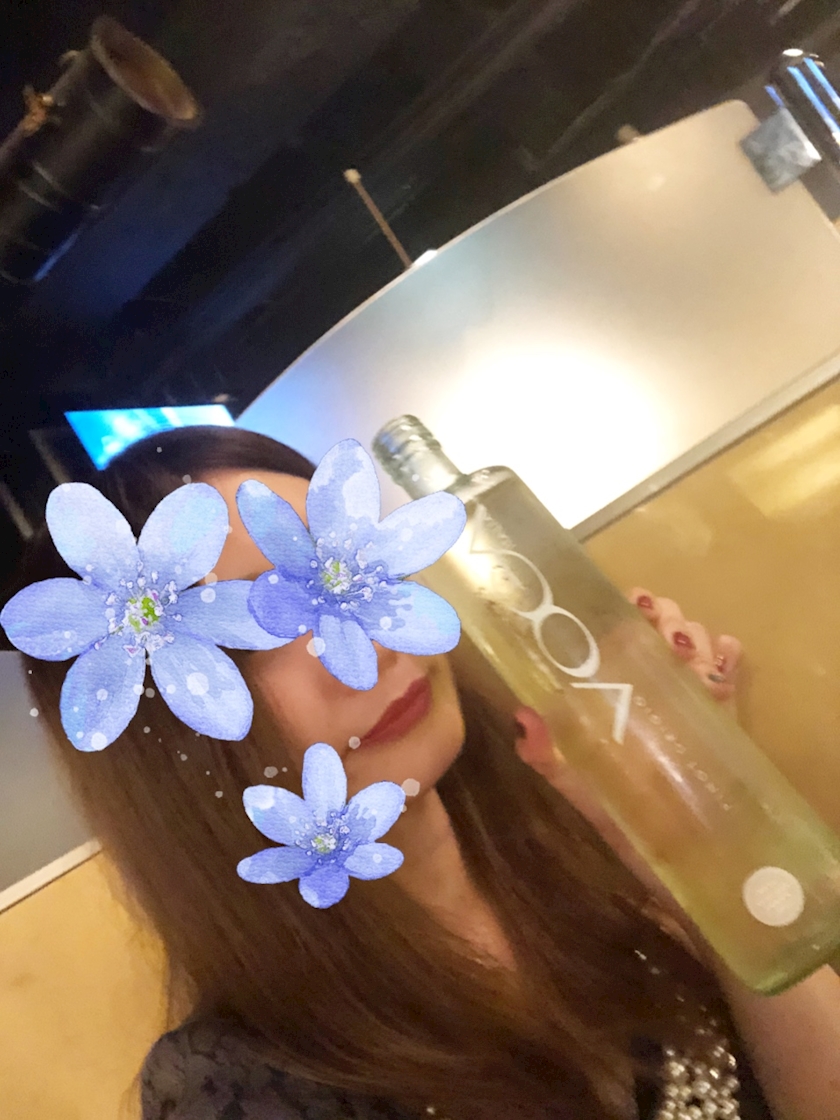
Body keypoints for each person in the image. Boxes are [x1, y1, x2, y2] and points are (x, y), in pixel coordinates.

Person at [9, 425, 840, 1120]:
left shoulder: (581, 846)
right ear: (175, 743)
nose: (369, 646)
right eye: (265, 625)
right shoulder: (249, 1086)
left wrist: (696, 843)